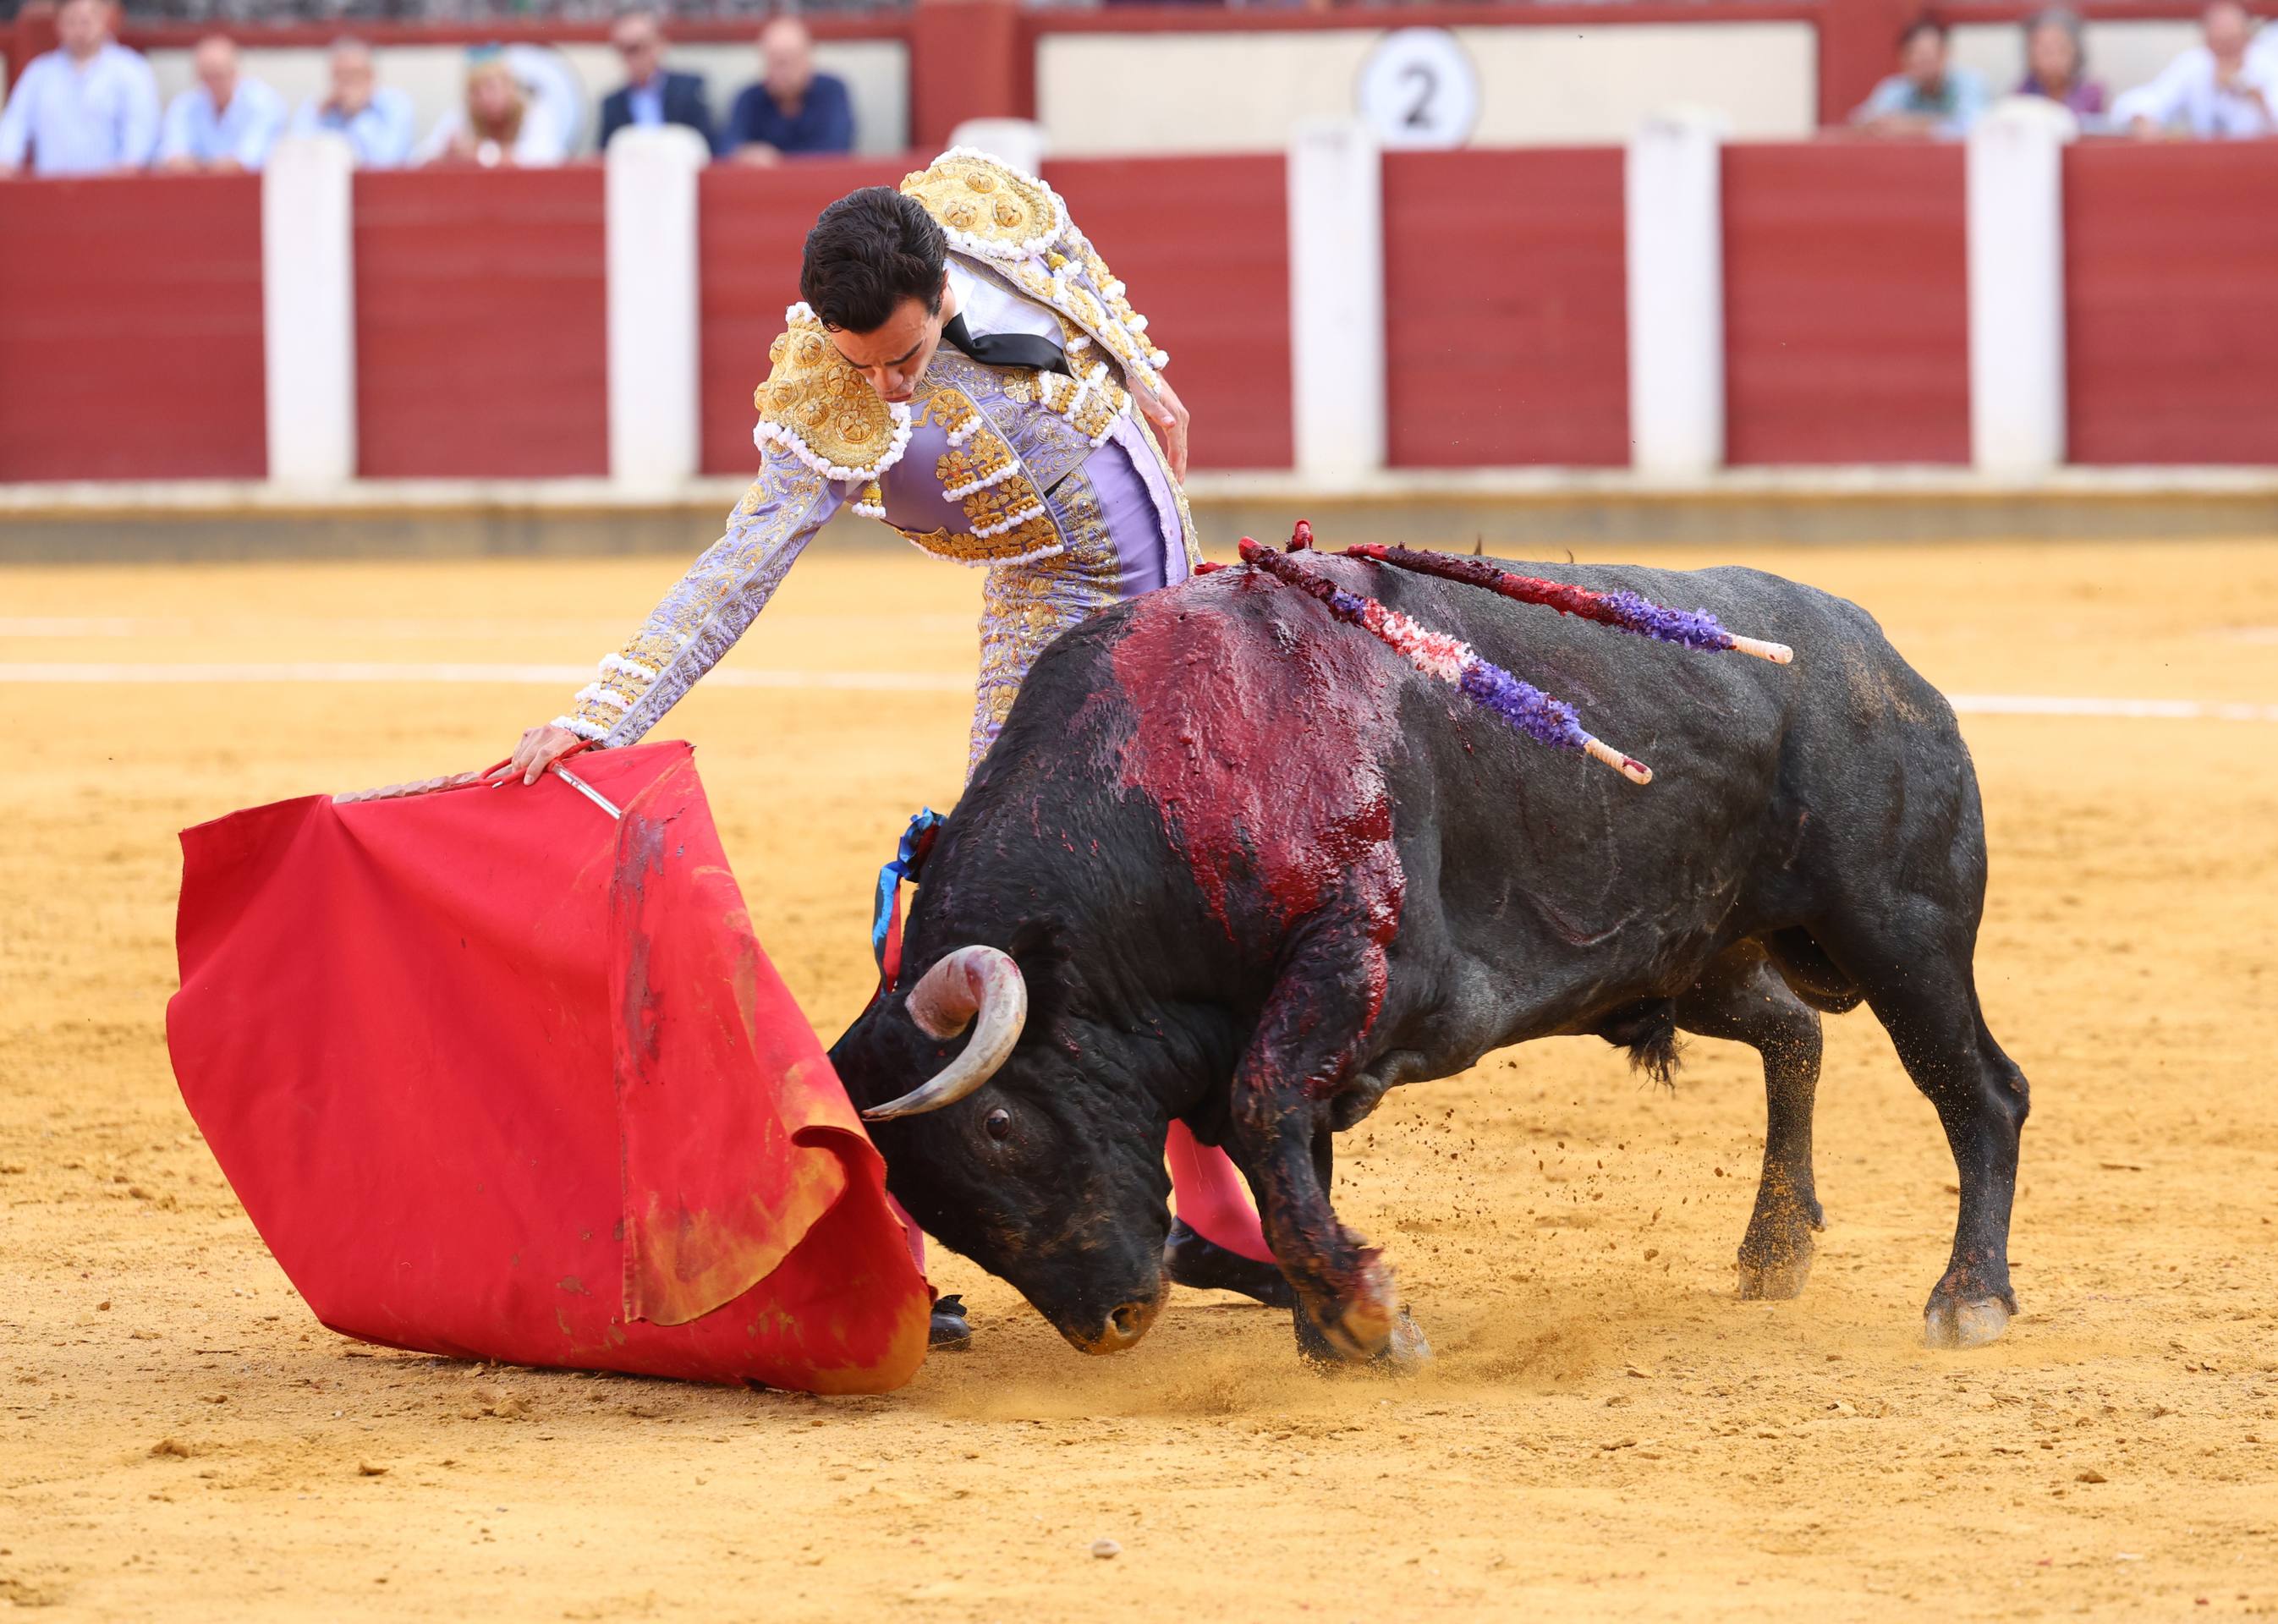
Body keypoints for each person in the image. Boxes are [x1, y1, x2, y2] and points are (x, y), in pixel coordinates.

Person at [494, 152, 1289, 1340]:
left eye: (906, 357)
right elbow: (738, 572)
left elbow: (1065, 247)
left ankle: (1219, 1217)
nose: (888, 387)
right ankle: (892, 1245)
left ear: (942, 280)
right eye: (862, 363)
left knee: (1189, 901)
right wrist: (601, 713)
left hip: (1162, 575)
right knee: (992, 917)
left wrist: (1136, 365)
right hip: (1047, 612)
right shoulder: (826, 401)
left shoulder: (981, 210)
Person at [0, 0, 158, 178]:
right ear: (58, 24)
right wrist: (5, 163)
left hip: (112, 189)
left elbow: (140, 134)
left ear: (104, 19)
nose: (79, 31)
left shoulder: (131, 70)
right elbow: (15, 124)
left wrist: (128, 167)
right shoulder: (39, 73)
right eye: (71, 22)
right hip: (50, 190)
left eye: (86, 21)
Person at [2111, 0, 2276, 139]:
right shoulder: (2196, 63)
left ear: (2247, 36)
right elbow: (2152, 98)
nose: (2225, 52)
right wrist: (2142, 117)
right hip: (2206, 162)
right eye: (2219, 43)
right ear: (2206, 39)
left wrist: (2255, 95)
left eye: (2232, 43)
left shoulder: (2267, 63)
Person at [722, 15, 854, 163]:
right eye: (775, 60)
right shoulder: (748, 98)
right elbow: (727, 147)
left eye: (790, 59)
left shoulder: (832, 92)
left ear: (808, 58)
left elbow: (837, 150)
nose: (783, 70)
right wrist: (745, 154)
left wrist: (778, 160)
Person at [415, 47, 567, 169]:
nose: (485, 97)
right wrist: (446, 155)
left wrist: (480, 153)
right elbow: (419, 161)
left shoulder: (535, 113)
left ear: (510, 86)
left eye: (491, 87)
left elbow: (546, 160)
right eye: (476, 90)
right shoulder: (461, 116)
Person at [156, 35, 285, 173]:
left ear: (235, 72)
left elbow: (249, 160)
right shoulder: (184, 105)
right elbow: (171, 155)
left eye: (219, 75)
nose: (213, 83)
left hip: (248, 191)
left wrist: (199, 167)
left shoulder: (264, 103)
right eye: (206, 76)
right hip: (194, 191)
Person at [597, 8, 716, 154]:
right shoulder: (612, 104)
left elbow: (708, 146)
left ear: (659, 44)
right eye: (624, 49)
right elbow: (604, 155)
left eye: (638, 47)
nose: (632, 57)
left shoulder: (689, 90)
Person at [288, 37, 417, 169]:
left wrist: (357, 115)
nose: (347, 81)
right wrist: (319, 114)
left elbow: (388, 162)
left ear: (371, 75)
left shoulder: (395, 105)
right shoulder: (317, 107)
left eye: (354, 74)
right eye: (340, 75)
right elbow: (296, 156)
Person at [1851, 17, 1990, 138]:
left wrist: (1914, 127)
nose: (1917, 61)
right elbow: (1859, 120)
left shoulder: (1968, 83)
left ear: (1944, 55)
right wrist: (1876, 125)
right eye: (1911, 54)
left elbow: (1975, 127)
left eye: (1925, 56)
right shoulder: (1897, 88)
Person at [2017, 6, 2108, 123]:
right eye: (2045, 50)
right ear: (2030, 54)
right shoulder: (2022, 94)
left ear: (2076, 51)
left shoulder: (2093, 93)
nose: (2053, 58)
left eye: (2061, 49)